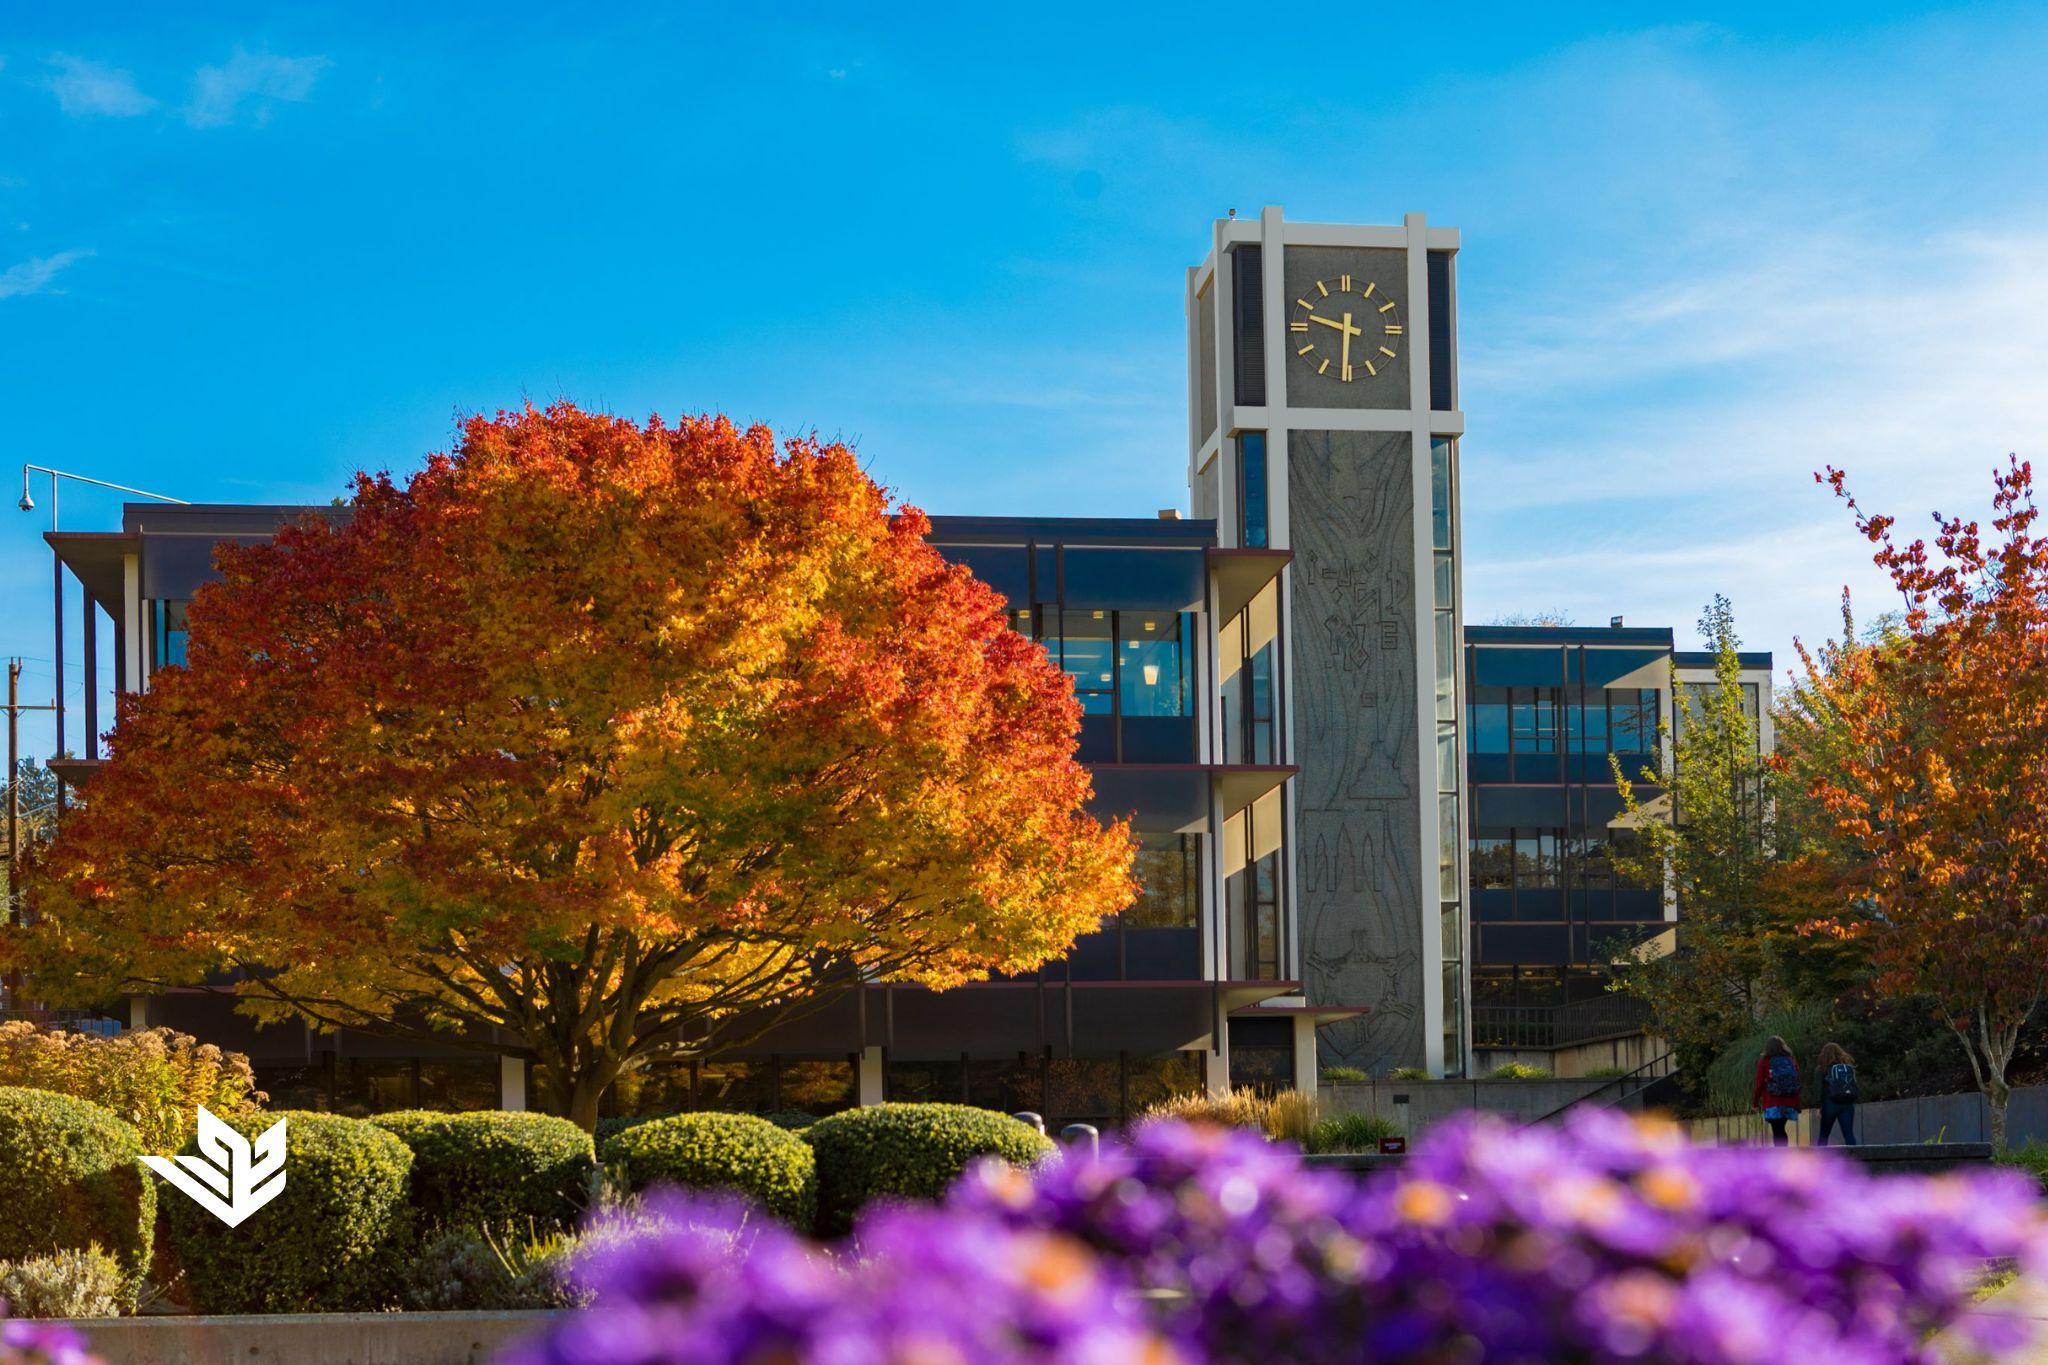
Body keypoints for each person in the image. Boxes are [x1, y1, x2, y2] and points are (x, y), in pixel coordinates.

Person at [1751, 1035, 1801, 1146]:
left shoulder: (1764, 1061)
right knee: (1781, 1128)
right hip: (1789, 1101)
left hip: (1772, 1101)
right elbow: (1797, 1079)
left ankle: (1779, 1156)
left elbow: (1759, 1084)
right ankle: (1783, 1155)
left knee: (1777, 1130)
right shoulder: (1791, 1060)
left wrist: (1755, 1103)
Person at [1815, 1041, 1860, 1146]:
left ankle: (1820, 1160)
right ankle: (1854, 1159)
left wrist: (1818, 1106)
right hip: (1847, 1104)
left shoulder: (1821, 1069)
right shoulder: (1847, 1068)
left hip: (1830, 1104)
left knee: (1824, 1135)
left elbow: (1818, 1089)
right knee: (1848, 1134)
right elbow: (1854, 1085)